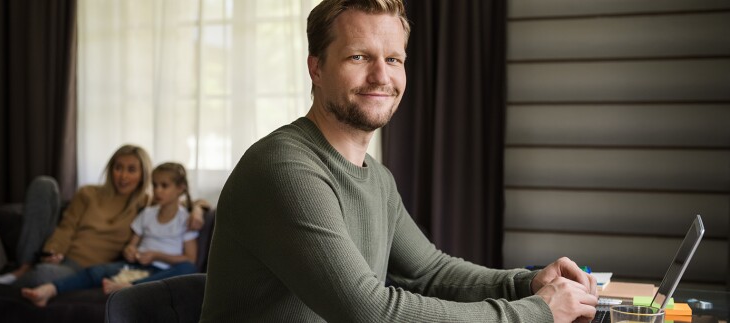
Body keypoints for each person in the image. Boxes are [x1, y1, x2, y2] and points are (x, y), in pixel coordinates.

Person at [200, 0, 598, 322]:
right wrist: (536, 312)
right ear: (316, 69)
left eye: (393, 59)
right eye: (359, 57)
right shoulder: (284, 168)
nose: (380, 76)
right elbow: (370, 311)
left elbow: (431, 273)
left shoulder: (377, 178)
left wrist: (526, 284)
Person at [0, 144, 208, 287]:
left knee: (43, 275)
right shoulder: (88, 193)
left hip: (83, 268)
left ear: (142, 174)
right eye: (118, 167)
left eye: (131, 169)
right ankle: (22, 268)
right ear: (110, 169)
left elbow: (184, 199)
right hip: (60, 255)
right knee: (44, 186)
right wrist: (54, 250)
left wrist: (197, 209)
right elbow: (67, 226)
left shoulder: (144, 203)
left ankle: (16, 277)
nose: (123, 176)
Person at [20, 162, 200, 307]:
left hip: (164, 270)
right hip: (135, 266)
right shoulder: (147, 213)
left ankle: (130, 288)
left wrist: (157, 255)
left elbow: (189, 259)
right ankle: (50, 289)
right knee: (96, 271)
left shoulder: (186, 219)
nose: (157, 190)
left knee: (189, 270)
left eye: (164, 186)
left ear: (180, 188)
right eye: (154, 185)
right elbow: (133, 242)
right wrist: (130, 250)